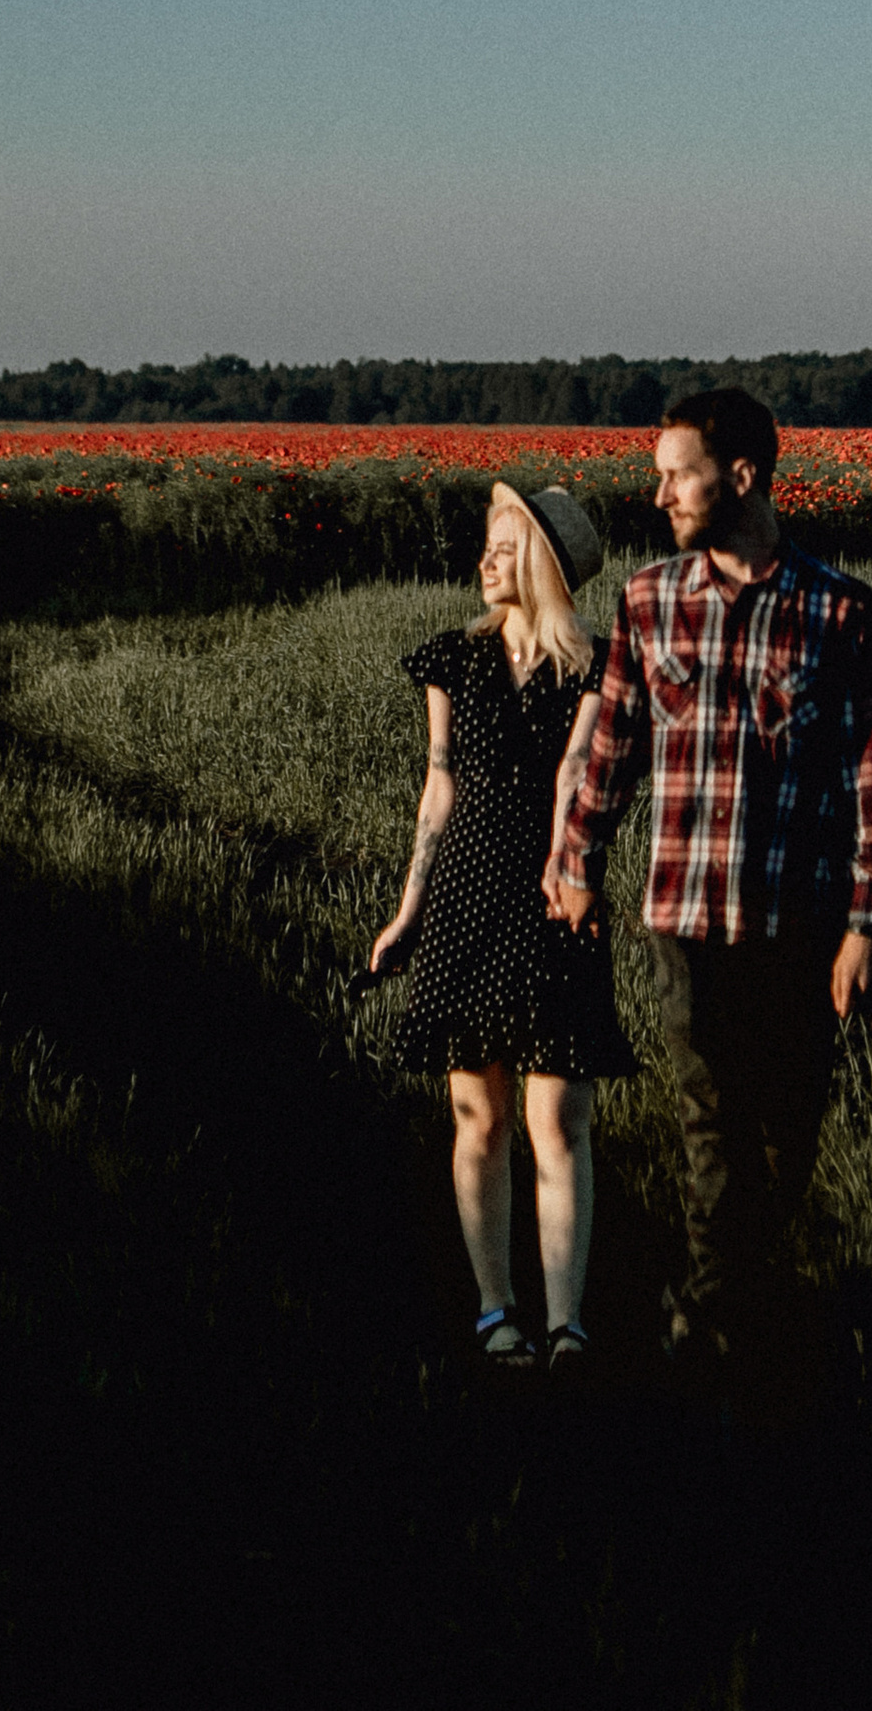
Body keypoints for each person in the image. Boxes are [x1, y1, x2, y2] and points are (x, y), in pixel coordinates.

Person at [548, 386, 872, 1372]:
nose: (658, 490)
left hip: (794, 923)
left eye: (677, 472)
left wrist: (867, 924)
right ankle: (713, 1328)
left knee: (785, 1130)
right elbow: (614, 746)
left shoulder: (838, 610)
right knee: (712, 1119)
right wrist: (577, 861)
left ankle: (731, 1293)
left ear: (741, 476)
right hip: (684, 913)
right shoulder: (647, 599)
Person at [369, 477, 635, 1369]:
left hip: (552, 897)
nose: (485, 558)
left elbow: (574, 783)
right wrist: (408, 911)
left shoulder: (596, 667)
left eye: (505, 543)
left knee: (557, 1117)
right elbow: (436, 790)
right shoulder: (452, 659)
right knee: (477, 1115)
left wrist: (573, 871)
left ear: (548, 565)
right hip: (464, 898)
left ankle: (568, 1324)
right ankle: (496, 1312)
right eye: (487, 543)